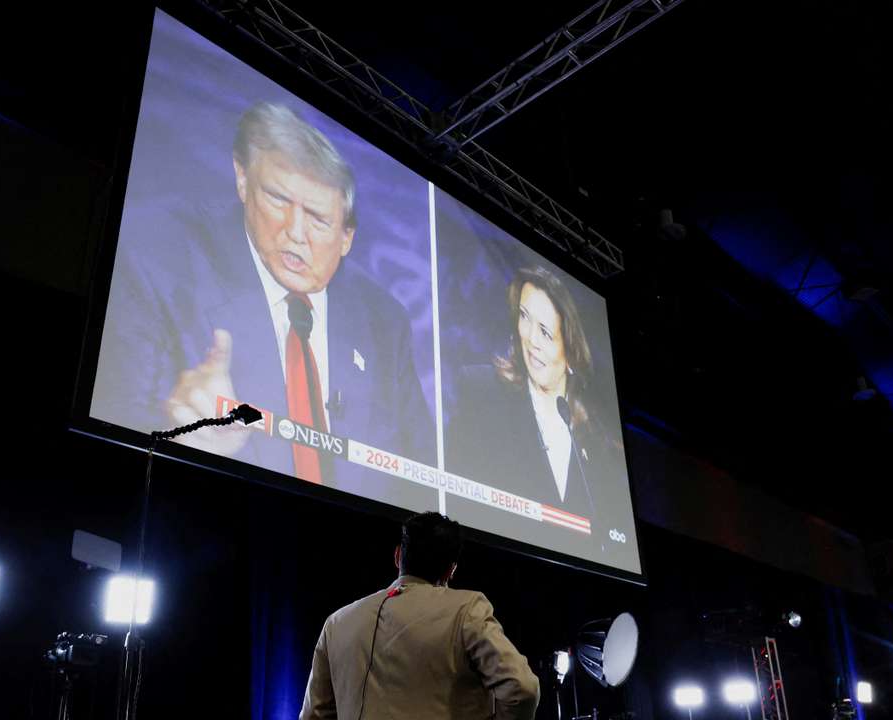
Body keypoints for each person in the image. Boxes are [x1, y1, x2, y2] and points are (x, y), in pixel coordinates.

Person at [93, 102, 435, 506]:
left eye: (318, 219)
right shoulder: (154, 254)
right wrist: (178, 428)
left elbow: (421, 474)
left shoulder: (382, 318)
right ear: (242, 179)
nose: (295, 232)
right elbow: (113, 422)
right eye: (277, 199)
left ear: (347, 237)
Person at [444, 266, 633, 565]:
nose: (531, 339)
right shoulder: (480, 392)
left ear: (570, 351)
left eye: (545, 332)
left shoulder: (599, 440)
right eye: (524, 317)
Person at [299, 512, 539, 720]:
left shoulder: (337, 623)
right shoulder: (467, 609)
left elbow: (315, 715)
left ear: (397, 556)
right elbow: (521, 689)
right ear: (451, 570)